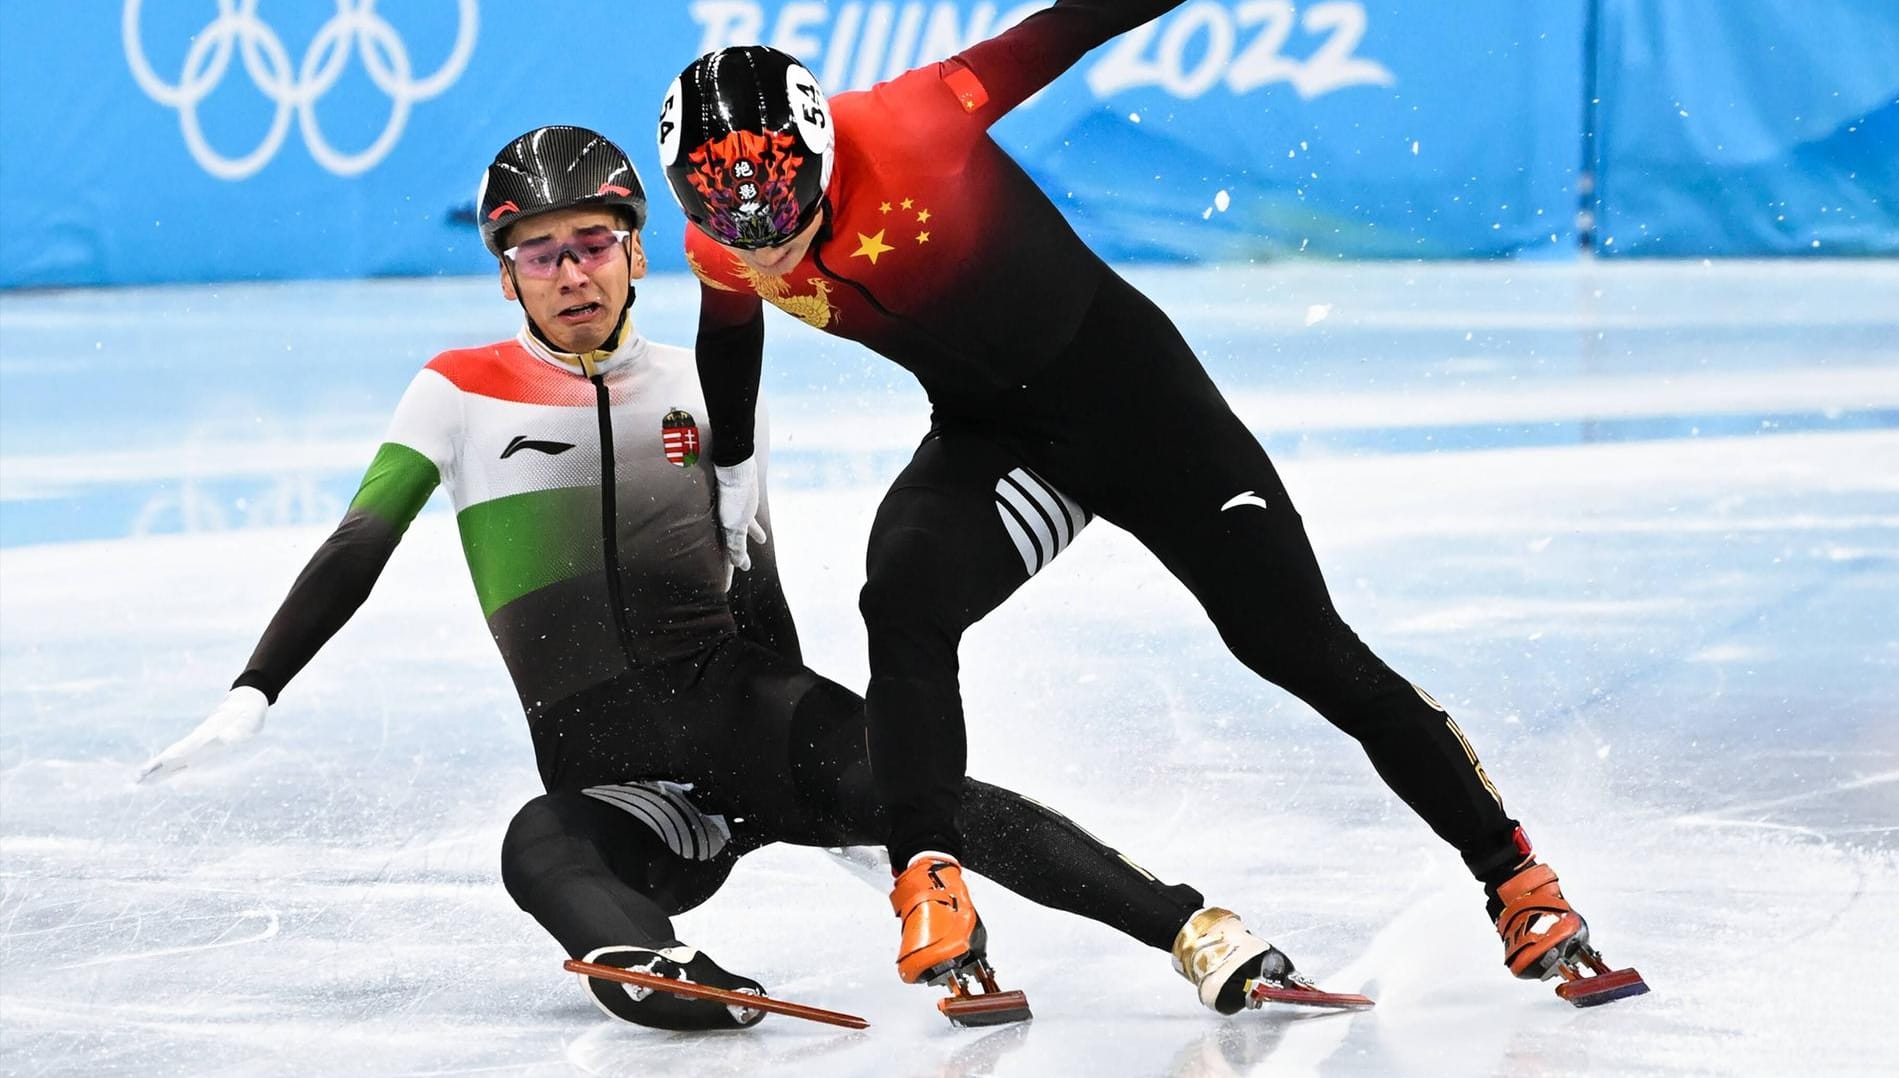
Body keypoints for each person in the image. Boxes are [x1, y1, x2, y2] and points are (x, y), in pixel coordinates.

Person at [137, 125, 1325, 1030]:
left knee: (930, 791)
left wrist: (860, 801)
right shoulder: (453, 391)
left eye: (593, 244)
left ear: (635, 250)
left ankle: (1196, 929)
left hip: (751, 717)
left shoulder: (704, 388)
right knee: (536, 844)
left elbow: (755, 582)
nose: (571, 274)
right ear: (506, 276)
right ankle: (675, 974)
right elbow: (358, 542)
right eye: (540, 254)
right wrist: (257, 688)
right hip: (626, 790)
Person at [660, 2, 1620, 1002]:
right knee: (901, 595)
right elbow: (730, 343)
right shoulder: (718, 238)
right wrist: (729, 474)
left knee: (1298, 647)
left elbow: (1063, 31)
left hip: (1145, 416)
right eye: (738, 233)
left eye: (788, 222)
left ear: (822, 158)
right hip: (1002, 442)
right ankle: (930, 875)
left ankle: (1516, 876)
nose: (765, 254)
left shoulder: (911, 122)